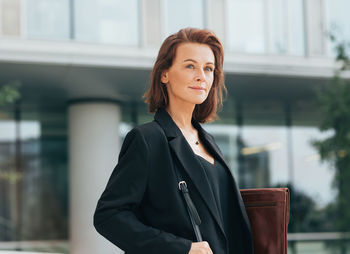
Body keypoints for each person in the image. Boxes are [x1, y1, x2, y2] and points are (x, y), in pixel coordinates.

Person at [93, 28, 253, 254]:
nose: (201, 76)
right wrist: (182, 249)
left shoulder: (210, 142)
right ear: (164, 74)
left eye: (208, 68)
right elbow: (109, 216)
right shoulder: (148, 139)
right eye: (190, 66)